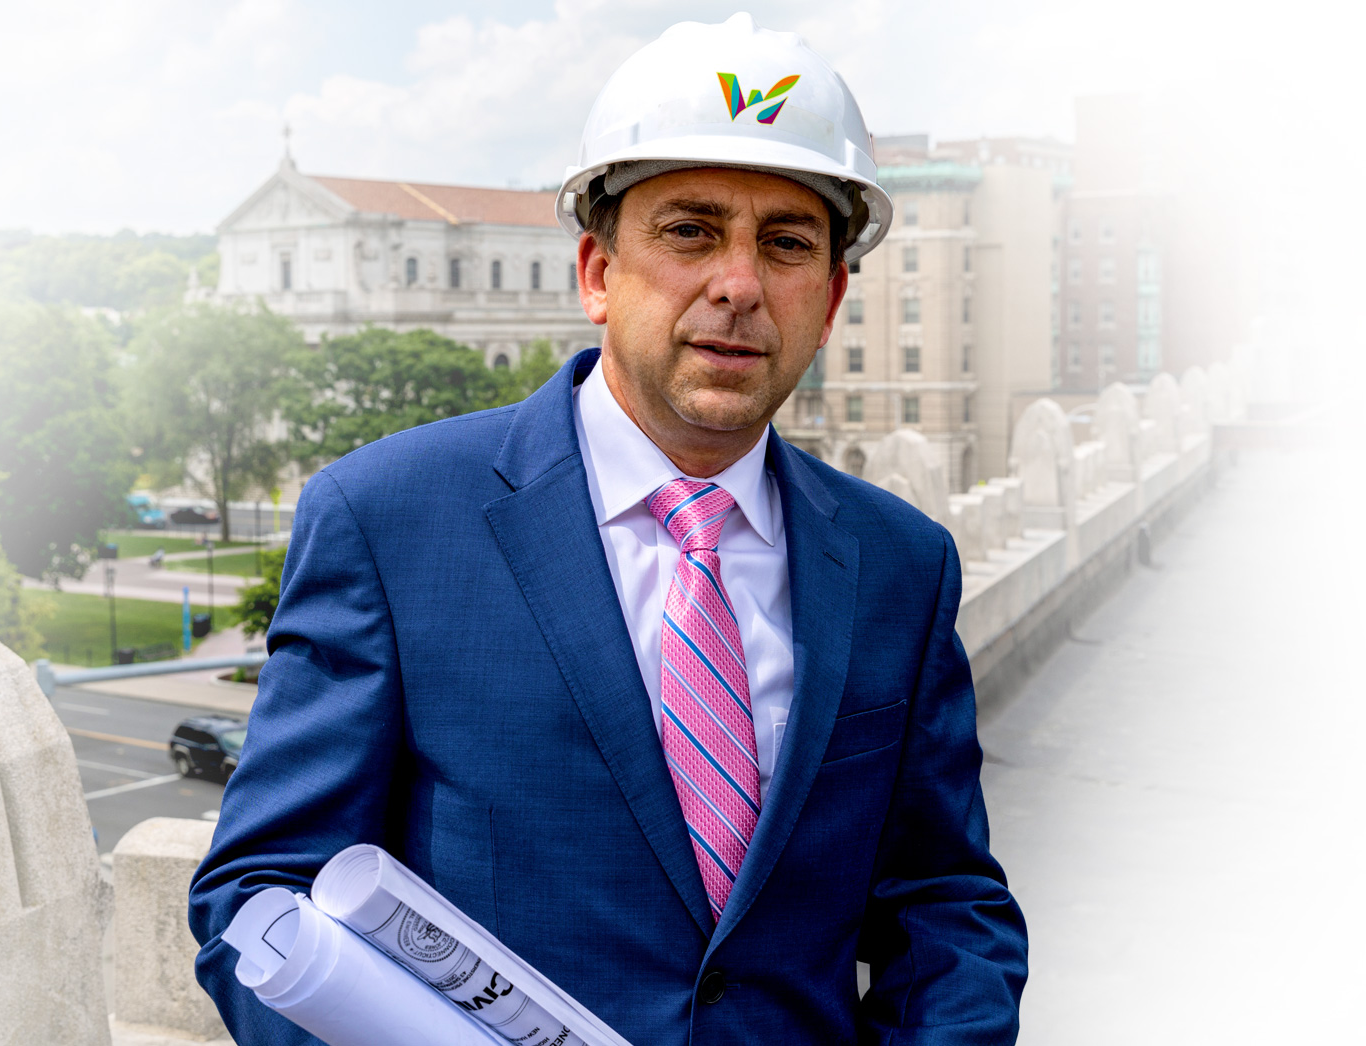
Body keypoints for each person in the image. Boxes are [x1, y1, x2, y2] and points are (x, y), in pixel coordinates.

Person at [190, 13, 1027, 1044]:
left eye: (787, 243)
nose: (738, 284)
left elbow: (944, 901)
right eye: (689, 231)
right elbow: (257, 900)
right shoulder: (391, 521)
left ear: (833, 291)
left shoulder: (902, 562)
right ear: (595, 271)